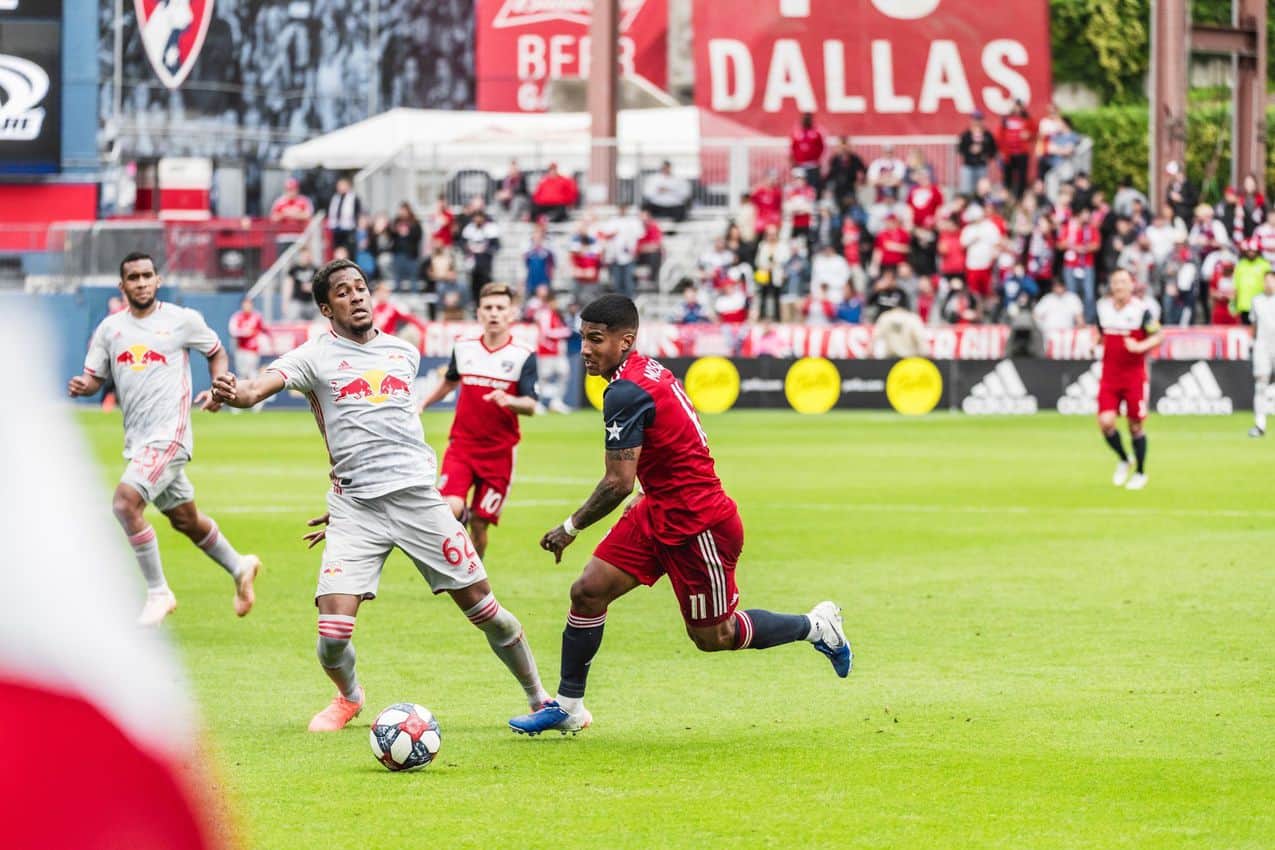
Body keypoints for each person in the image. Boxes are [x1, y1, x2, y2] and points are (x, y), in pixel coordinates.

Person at [211, 261, 550, 731]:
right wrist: (235, 391)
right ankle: (349, 697)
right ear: (327, 308)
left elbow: (387, 431)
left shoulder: (403, 353)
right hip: (356, 510)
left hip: (418, 501)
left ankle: (540, 698)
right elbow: (254, 390)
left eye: (361, 288)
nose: (357, 297)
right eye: (344, 292)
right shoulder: (312, 357)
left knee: (486, 610)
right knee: (332, 634)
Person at [507, 295, 851, 736]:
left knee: (715, 637)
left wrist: (569, 528)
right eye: (583, 339)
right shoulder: (643, 372)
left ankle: (817, 627)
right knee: (588, 591)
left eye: (596, 340)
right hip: (657, 508)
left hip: (697, 523)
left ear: (625, 340)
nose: (585, 350)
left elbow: (617, 483)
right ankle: (569, 706)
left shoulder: (627, 390)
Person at [66, 252, 261, 626]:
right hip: (139, 441)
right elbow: (94, 378)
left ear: (157, 280)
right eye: (133, 278)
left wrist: (219, 389)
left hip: (170, 436)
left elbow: (216, 351)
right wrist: (83, 385)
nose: (141, 283)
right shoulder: (110, 329)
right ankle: (240, 566)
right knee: (185, 519)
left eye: (147, 276)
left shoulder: (181, 321)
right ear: (122, 286)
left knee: (125, 504)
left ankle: (159, 592)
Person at [417, 282, 538, 558]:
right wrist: (423, 402)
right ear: (479, 312)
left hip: (499, 453)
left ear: (511, 313)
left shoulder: (523, 355)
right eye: (488, 308)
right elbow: (449, 383)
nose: (494, 313)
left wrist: (510, 401)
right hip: (462, 446)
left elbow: (530, 405)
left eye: (500, 308)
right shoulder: (464, 347)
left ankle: (474, 577)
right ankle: (456, 568)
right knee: (450, 508)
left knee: (480, 525)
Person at [1095, 269, 1163, 491]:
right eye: (1116, 282)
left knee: (1135, 426)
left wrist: (1140, 346)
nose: (1119, 286)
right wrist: (1094, 343)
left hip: (1134, 376)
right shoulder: (1103, 308)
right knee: (1105, 422)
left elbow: (1158, 335)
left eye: (1124, 282)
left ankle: (1141, 472)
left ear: (1131, 285)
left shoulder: (1141, 311)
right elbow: (1099, 333)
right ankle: (1124, 459)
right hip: (1109, 376)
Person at [527, 284, 573, 413]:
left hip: (558, 352)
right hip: (546, 351)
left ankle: (556, 402)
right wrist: (563, 332)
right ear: (551, 301)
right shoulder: (544, 313)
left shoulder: (556, 314)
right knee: (542, 378)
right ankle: (537, 403)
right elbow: (546, 332)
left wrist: (563, 331)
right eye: (555, 300)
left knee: (564, 374)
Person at [228, 297, 266, 414]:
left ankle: (257, 404)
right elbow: (233, 331)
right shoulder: (237, 317)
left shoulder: (257, 317)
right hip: (241, 350)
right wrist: (246, 332)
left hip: (253, 350)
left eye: (249, 304)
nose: (247, 306)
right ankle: (236, 404)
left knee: (253, 376)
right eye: (245, 304)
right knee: (241, 376)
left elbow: (263, 331)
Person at [1248, 271, 1275, 437]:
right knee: (1260, 384)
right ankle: (1260, 425)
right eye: (1266, 281)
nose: (1269, 284)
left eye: (1272, 281)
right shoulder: (1257, 301)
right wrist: (1254, 343)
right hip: (1262, 346)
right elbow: (1254, 325)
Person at [461, 210, 501, 306]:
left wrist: (485, 249)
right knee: (474, 285)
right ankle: (476, 305)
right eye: (476, 217)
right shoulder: (469, 229)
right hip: (472, 262)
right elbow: (462, 244)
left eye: (480, 217)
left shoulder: (490, 229)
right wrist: (468, 248)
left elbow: (496, 246)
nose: (478, 220)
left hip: (485, 262)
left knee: (486, 284)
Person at [998, 100, 1034, 199]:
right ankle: (1007, 197)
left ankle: (1020, 197)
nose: (1017, 109)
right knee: (1007, 177)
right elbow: (1001, 135)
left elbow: (1034, 132)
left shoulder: (1027, 119)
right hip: (1009, 154)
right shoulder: (1006, 119)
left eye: (1019, 107)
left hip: (1022, 153)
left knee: (1022, 177)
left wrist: (1029, 135)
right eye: (1016, 106)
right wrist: (1002, 151)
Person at [956, 111, 998, 196]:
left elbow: (993, 150)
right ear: (971, 121)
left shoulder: (987, 135)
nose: (977, 122)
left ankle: (981, 206)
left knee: (982, 191)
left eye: (979, 119)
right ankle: (967, 207)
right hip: (968, 166)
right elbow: (960, 149)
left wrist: (984, 152)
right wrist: (969, 150)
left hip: (981, 166)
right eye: (975, 119)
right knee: (966, 190)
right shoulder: (966, 135)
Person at [390, 202, 423, 292]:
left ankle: (414, 296)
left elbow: (419, 236)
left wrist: (408, 232)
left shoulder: (415, 222)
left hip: (411, 255)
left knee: (413, 278)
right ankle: (397, 295)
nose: (402, 212)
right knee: (397, 278)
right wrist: (396, 230)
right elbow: (391, 236)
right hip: (398, 253)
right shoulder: (396, 221)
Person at [789, 112, 825, 192]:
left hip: (813, 166)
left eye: (808, 118)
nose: (806, 120)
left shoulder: (816, 133)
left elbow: (821, 147)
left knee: (813, 188)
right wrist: (793, 163)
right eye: (805, 118)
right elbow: (792, 148)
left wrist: (816, 159)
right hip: (799, 165)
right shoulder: (796, 133)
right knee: (799, 187)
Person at [326, 177, 361, 256]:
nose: (340, 187)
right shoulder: (335, 198)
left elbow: (358, 213)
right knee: (337, 251)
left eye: (342, 185)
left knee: (349, 251)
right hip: (336, 229)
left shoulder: (353, 198)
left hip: (349, 229)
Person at [287, 245, 318, 319]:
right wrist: (286, 302)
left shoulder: (315, 269)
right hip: (297, 302)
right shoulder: (294, 269)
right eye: (304, 255)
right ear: (300, 256)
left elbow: (319, 286)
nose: (306, 258)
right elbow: (288, 285)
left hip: (311, 302)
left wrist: (311, 287)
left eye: (308, 255)